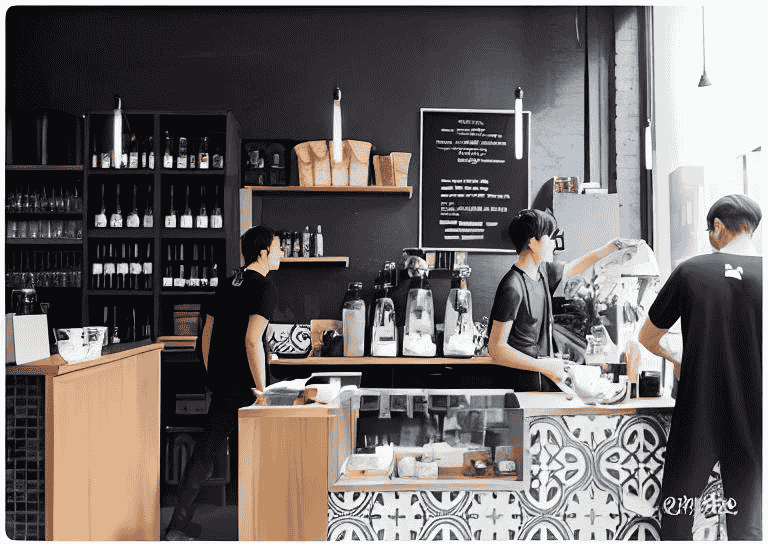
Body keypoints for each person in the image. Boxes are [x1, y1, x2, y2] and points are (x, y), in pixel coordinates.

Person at [638, 194, 762, 540]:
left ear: (718, 227)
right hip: (755, 414)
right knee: (748, 526)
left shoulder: (690, 271)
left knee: (677, 517)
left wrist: (680, 359)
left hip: (699, 412)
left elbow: (647, 338)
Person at [163, 226, 283, 541]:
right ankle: (266, 525)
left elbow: (206, 333)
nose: (281, 253)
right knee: (262, 454)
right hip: (248, 385)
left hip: (223, 383)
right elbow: (252, 340)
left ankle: (177, 527)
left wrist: (212, 372)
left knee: (204, 454)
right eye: (278, 248)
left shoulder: (228, 283)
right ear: (263, 253)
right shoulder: (265, 287)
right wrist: (262, 391)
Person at [488, 208, 643, 391]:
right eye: (549, 237)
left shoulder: (543, 273)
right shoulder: (512, 287)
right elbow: (496, 348)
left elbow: (577, 265)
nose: (554, 244)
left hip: (541, 381)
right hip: (519, 385)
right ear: (532, 242)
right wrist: (542, 366)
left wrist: (612, 246)